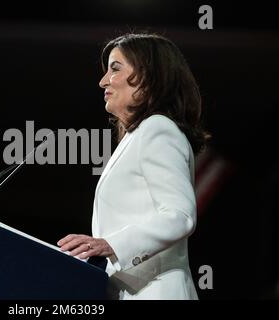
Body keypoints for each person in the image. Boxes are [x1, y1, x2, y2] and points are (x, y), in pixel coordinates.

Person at [57, 32, 210, 300]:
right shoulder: (138, 135)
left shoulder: (158, 129)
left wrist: (110, 244)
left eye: (115, 69)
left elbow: (179, 215)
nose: (104, 80)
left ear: (148, 77)